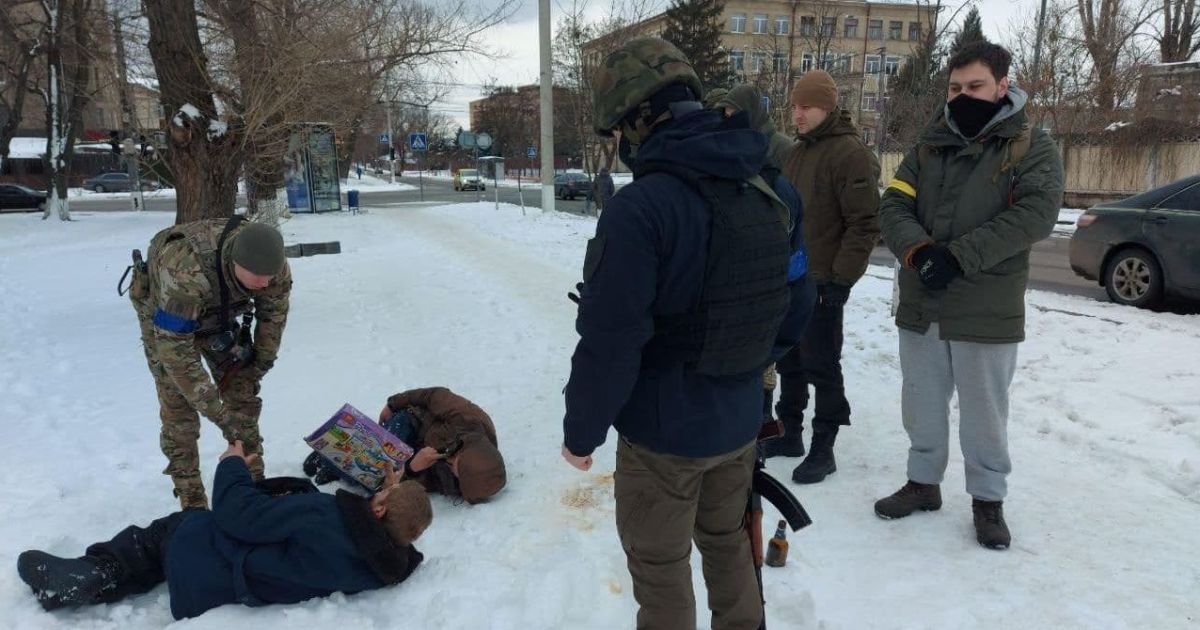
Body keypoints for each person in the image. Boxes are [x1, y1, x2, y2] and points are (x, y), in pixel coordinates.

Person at [561, 38, 813, 630]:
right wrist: (746, 363)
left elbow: (611, 340)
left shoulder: (641, 207)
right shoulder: (772, 187)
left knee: (660, 563)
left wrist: (582, 432)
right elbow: (797, 302)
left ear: (636, 121)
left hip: (660, 434)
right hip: (738, 418)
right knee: (728, 543)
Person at [874, 42, 1064, 550]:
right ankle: (922, 483)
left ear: (1003, 85)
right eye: (954, 88)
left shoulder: (1031, 145)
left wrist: (958, 256)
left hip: (986, 305)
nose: (962, 96)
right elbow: (893, 203)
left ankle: (988, 500)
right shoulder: (927, 145)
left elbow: (1034, 215)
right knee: (922, 402)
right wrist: (917, 250)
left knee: (985, 410)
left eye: (974, 87)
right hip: (923, 299)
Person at [16, 441, 431, 619]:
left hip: (212, 566)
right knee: (171, 549)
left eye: (385, 493)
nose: (383, 489)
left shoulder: (325, 517)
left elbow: (238, 515)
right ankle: (103, 583)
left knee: (171, 531)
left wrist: (232, 464)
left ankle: (93, 573)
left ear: (378, 509)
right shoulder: (383, 565)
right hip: (232, 584)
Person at [128, 217, 292, 509]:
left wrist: (258, 365)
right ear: (236, 264)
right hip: (167, 323)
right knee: (179, 408)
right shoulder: (185, 273)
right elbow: (176, 354)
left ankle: (253, 482)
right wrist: (218, 413)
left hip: (219, 318)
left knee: (242, 396)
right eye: (258, 277)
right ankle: (191, 497)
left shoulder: (272, 268)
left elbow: (273, 319)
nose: (266, 283)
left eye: (271, 276)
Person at [767, 70, 881, 488]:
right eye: (794, 105)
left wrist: (841, 281)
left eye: (805, 106)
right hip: (792, 280)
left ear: (827, 107)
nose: (796, 113)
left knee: (822, 365)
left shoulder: (850, 154)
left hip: (824, 282)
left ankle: (824, 447)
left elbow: (865, 224)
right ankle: (789, 433)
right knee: (790, 361)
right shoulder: (798, 152)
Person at [710, 84, 809, 425]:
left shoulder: (780, 148)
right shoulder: (728, 143)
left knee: (774, 360)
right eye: (721, 112)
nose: (725, 118)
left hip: (781, 250)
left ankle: (769, 421)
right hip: (757, 257)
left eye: (731, 111)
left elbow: (792, 198)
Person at [303, 386, 507, 504]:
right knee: (380, 449)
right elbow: (434, 395)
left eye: (455, 468)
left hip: (414, 456)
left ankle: (332, 461)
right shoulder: (472, 421)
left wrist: (413, 468)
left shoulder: (453, 482)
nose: (451, 460)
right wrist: (393, 404)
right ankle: (333, 459)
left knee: (378, 479)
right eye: (458, 456)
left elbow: (405, 485)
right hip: (412, 422)